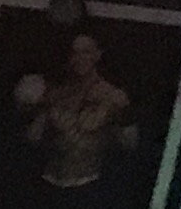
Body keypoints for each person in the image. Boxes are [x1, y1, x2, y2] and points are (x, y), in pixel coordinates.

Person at [20, 29, 134, 192]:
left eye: (86, 52)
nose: (80, 58)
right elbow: (33, 138)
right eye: (75, 53)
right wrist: (32, 106)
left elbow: (129, 144)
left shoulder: (112, 96)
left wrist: (123, 115)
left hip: (89, 183)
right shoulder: (55, 94)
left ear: (97, 55)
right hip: (50, 181)